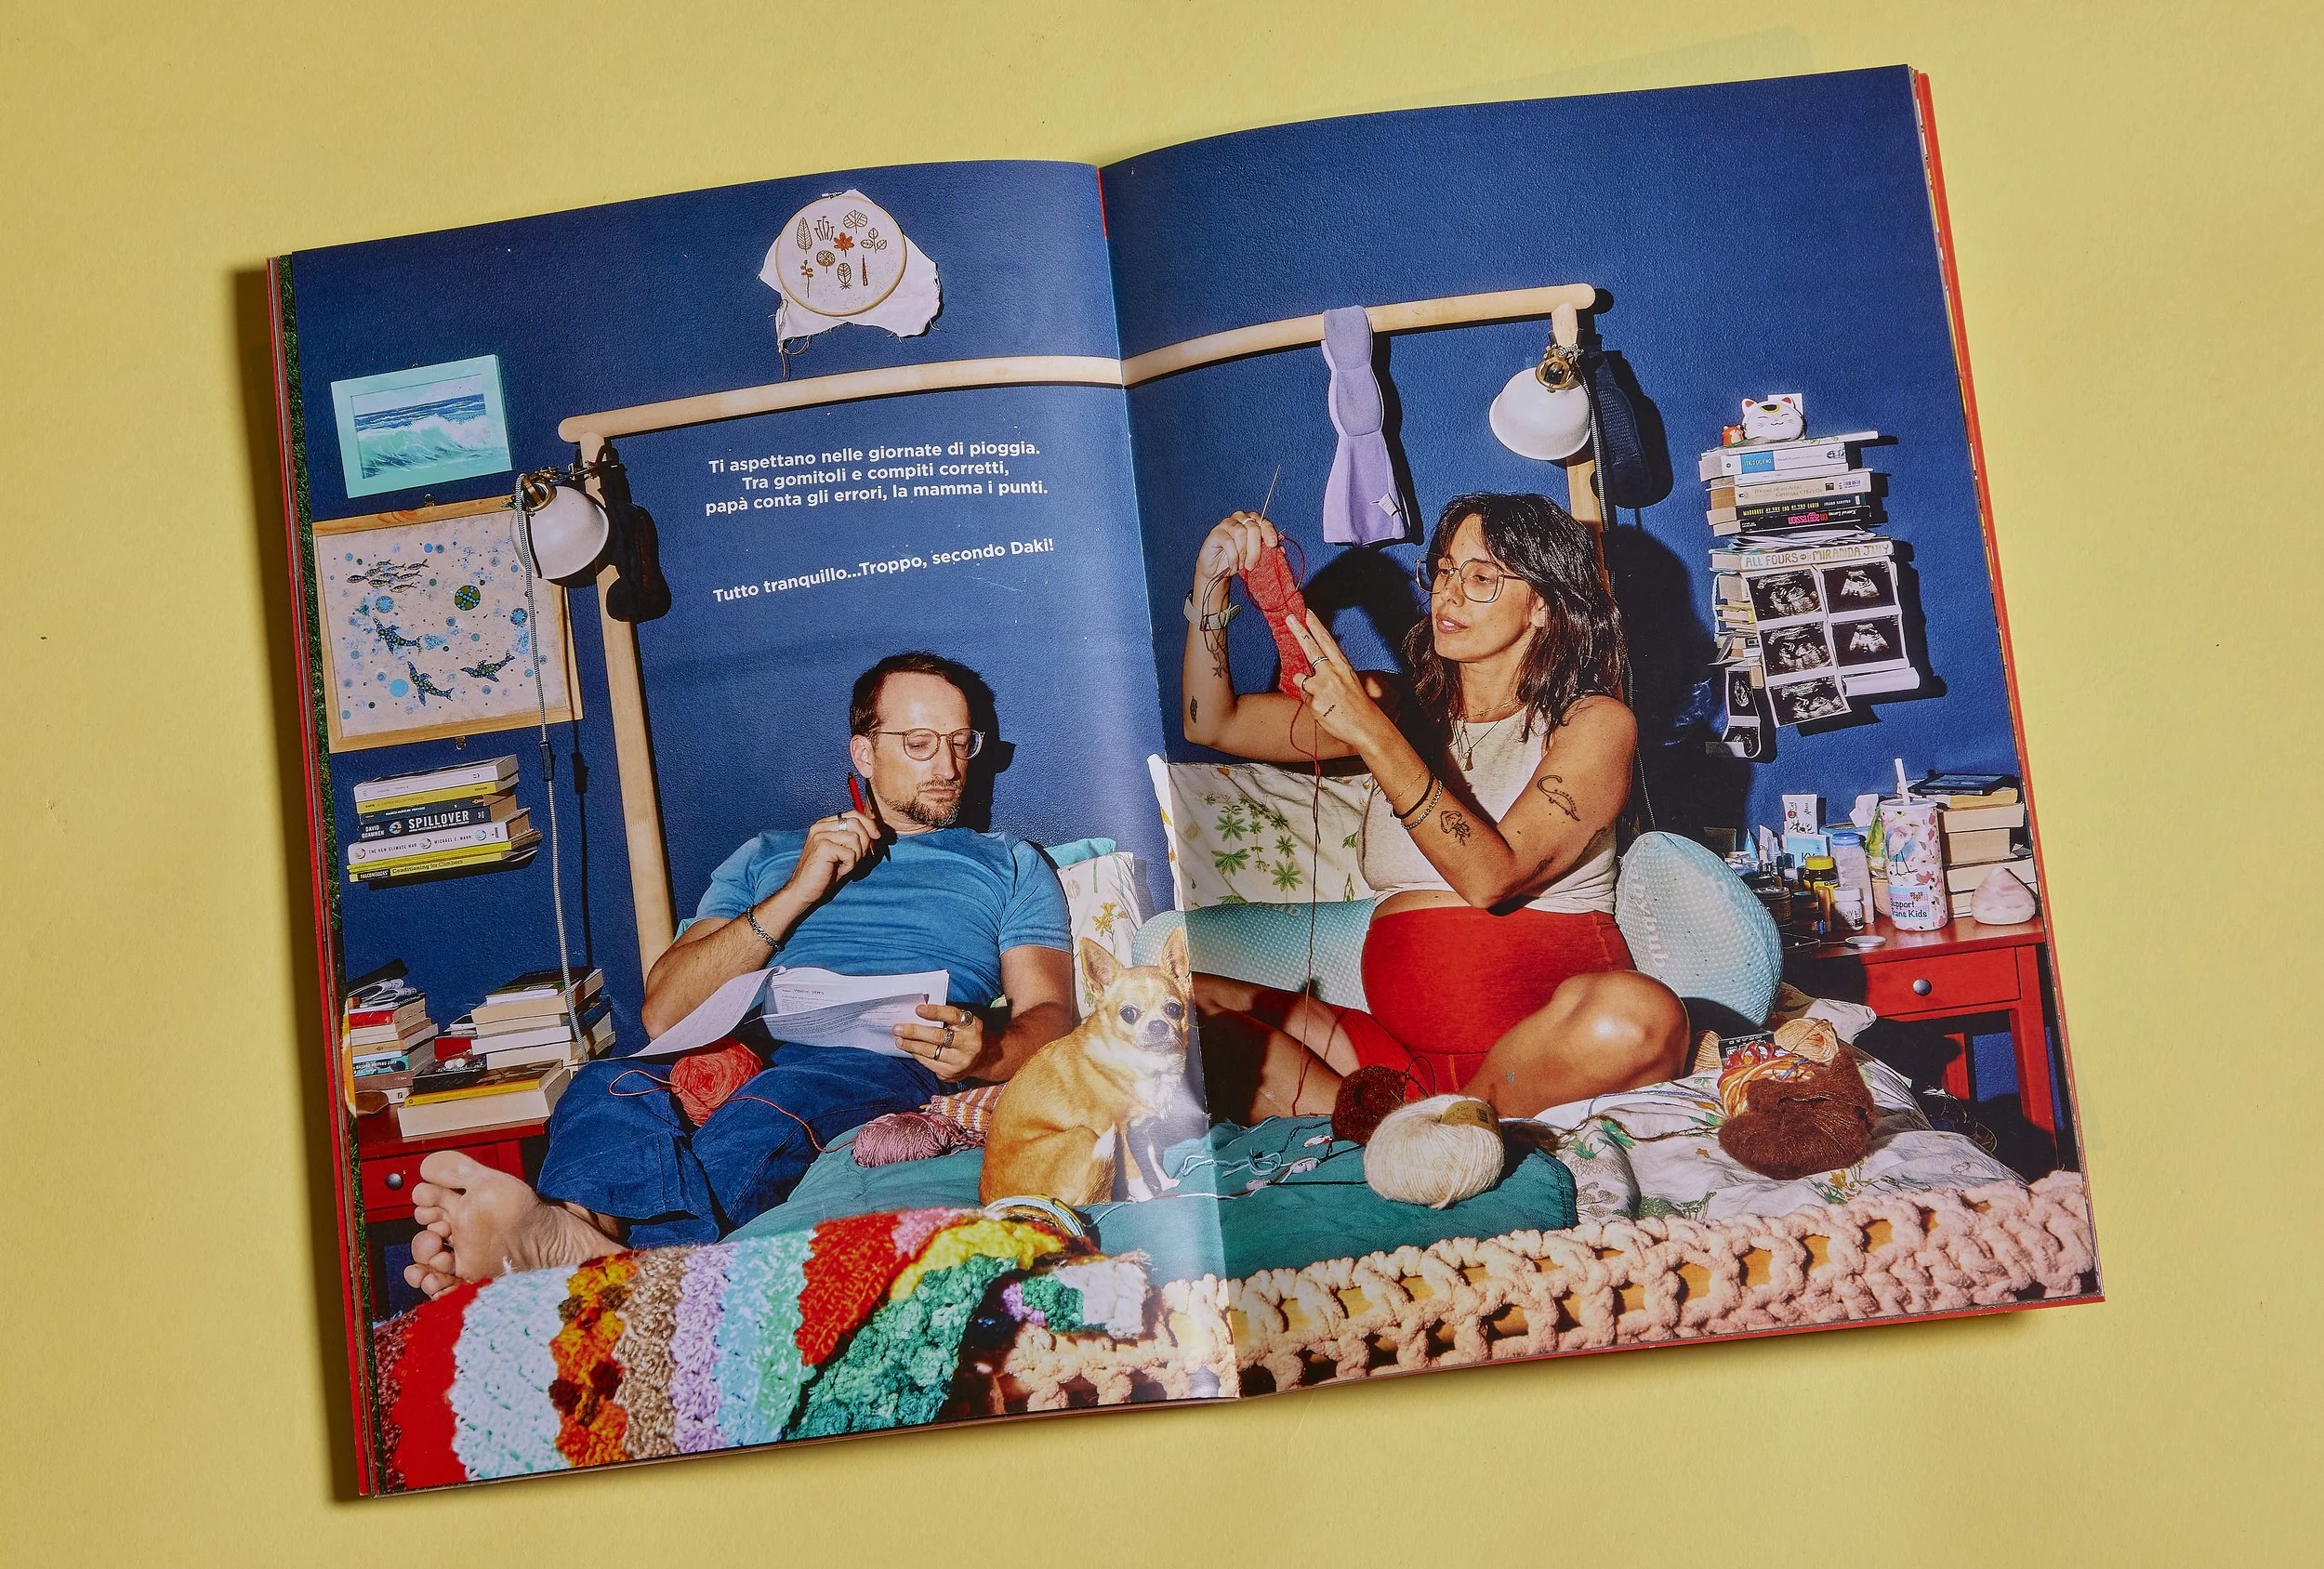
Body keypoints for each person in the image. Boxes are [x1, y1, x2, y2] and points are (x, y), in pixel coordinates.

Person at [403, 652, 1076, 1297]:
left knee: (768, 1111)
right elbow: (665, 1012)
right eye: (922, 743)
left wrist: (986, 1051)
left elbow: (1050, 1014)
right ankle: (581, 1233)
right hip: (738, 1041)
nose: (950, 766)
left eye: (962, 742)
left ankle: (587, 1257)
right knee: (607, 1083)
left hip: (877, 1056)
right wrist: (796, 892)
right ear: (864, 753)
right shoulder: (770, 856)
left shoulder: (1010, 864)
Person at [1181, 493, 1689, 1123]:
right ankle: (1412, 1128)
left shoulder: (1593, 723)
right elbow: (1215, 722)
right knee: (1178, 1008)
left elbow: (1491, 878)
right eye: (1444, 570)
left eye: (1481, 578)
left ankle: (1446, 1126)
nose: (1447, 594)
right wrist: (1212, 585)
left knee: (1637, 1018)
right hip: (1395, 1067)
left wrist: (1371, 734)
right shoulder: (1401, 709)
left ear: (1542, 607)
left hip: (1539, 1061)